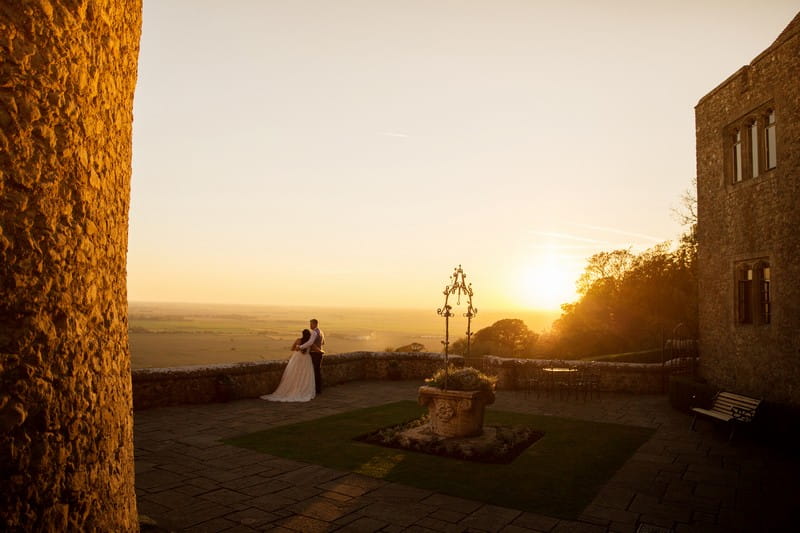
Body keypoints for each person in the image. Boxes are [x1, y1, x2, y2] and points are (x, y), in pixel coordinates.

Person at [260, 329, 316, 402]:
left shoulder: (298, 340)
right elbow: (317, 349)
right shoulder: (310, 343)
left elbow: (292, 348)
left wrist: (298, 348)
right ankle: (302, 389)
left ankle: (293, 389)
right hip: (306, 359)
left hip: (297, 358)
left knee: (294, 374)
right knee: (304, 375)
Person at [298, 318, 325, 394]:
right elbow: (323, 343)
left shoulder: (314, 332)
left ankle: (316, 389)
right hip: (319, 353)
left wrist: (300, 347)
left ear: (315, 324)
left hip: (315, 354)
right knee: (317, 371)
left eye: (311, 324)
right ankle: (318, 389)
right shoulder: (321, 332)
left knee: (314, 372)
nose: (310, 325)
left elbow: (310, 342)